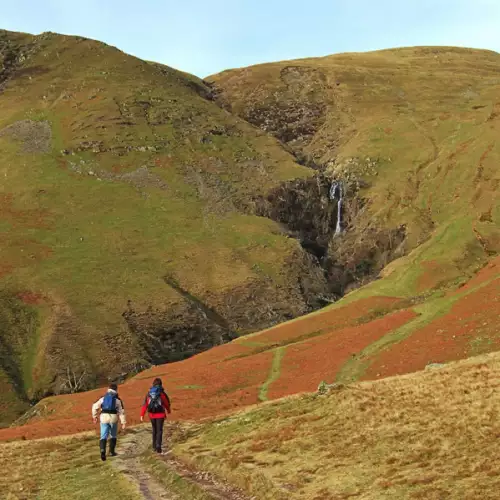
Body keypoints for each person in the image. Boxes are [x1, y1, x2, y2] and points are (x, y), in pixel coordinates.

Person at [91, 383, 126, 461]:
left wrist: (94, 416)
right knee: (113, 435)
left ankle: (102, 451)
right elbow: (121, 412)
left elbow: (94, 406)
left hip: (103, 417)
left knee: (103, 436)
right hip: (113, 418)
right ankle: (112, 452)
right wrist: (123, 422)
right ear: (116, 390)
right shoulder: (117, 400)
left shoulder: (103, 398)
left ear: (108, 389)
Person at [140, 378, 171, 453]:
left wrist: (142, 415)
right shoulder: (162, 393)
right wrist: (168, 410)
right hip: (160, 415)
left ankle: (154, 446)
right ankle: (158, 446)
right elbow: (166, 402)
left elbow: (145, 404)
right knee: (159, 430)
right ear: (161, 384)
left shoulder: (149, 393)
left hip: (151, 415)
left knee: (154, 430)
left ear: (153, 384)